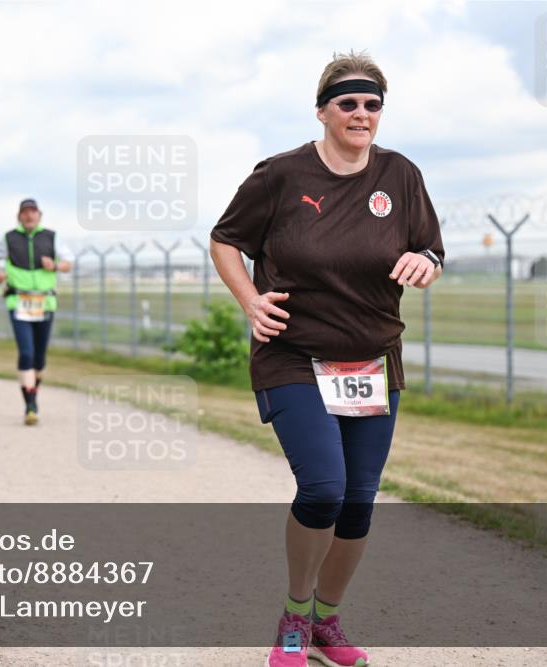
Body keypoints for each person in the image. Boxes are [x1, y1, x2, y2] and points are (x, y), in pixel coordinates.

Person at [209, 50, 444, 667]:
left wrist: (429, 264)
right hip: (293, 355)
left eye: (372, 105)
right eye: (348, 103)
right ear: (323, 111)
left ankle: (327, 623)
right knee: (323, 489)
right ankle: (293, 615)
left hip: (371, 363)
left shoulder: (401, 176)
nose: (361, 114)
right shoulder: (281, 176)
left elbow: (429, 250)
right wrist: (249, 300)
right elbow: (225, 239)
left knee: (359, 500)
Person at [0, 198, 73, 425]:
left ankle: (33, 392)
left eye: (33, 212)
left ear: (39, 215)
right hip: (19, 301)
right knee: (26, 352)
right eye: (25, 212)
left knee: (39, 357)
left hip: (44, 303)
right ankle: (30, 404)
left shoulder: (52, 237)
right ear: (19, 216)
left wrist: (54, 266)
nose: (29, 216)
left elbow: (69, 262)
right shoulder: (9, 238)